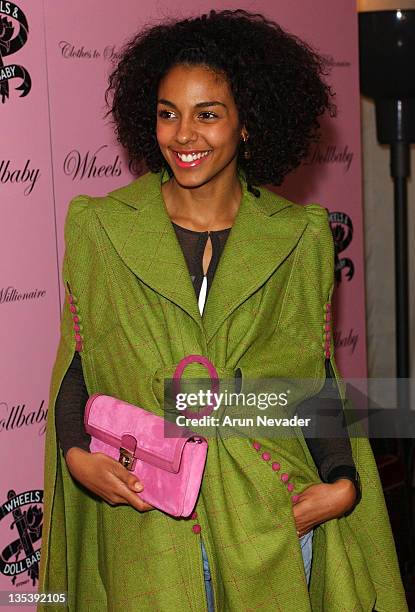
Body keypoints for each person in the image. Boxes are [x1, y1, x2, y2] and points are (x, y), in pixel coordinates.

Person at [38, 9, 407, 612]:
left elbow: (309, 383)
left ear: (248, 125)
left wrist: (341, 484)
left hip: (268, 519)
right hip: (147, 521)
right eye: (168, 113)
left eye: (207, 114)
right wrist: (79, 455)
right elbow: (80, 366)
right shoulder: (100, 227)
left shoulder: (298, 235)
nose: (183, 135)